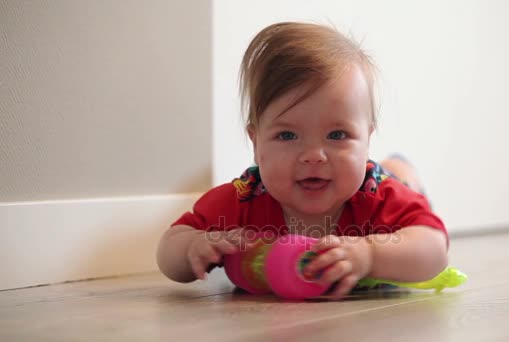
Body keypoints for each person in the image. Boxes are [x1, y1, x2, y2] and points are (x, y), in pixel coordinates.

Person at [157, 22, 448, 300]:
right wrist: (192, 248)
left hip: (388, 184)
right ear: (256, 143)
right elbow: (170, 245)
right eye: (287, 135)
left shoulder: (378, 198)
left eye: (337, 134)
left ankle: (400, 167)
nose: (313, 156)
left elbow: (434, 249)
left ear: (367, 139)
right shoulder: (244, 199)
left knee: (401, 179)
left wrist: (371, 254)